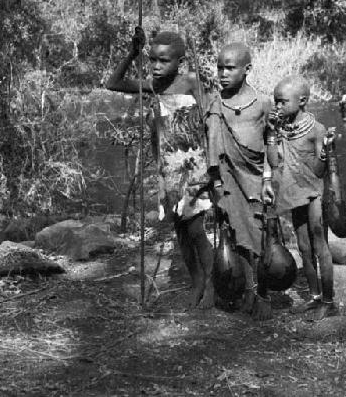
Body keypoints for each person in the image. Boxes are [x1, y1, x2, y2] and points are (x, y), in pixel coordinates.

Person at [106, 26, 215, 309]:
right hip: (167, 171)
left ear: (180, 62)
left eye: (163, 61)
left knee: (196, 230)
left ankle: (212, 287)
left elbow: (211, 121)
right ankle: (197, 282)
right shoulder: (152, 86)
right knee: (180, 231)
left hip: (194, 167)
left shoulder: (191, 83)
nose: (155, 66)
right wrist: (133, 52)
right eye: (152, 59)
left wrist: (215, 167)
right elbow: (113, 83)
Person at [206, 42, 273, 321]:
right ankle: (248, 291)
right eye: (220, 67)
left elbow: (271, 140)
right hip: (229, 182)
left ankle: (263, 294)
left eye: (230, 68)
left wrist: (269, 177)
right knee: (238, 236)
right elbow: (211, 147)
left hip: (256, 180)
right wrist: (217, 185)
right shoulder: (216, 104)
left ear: (247, 70)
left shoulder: (263, 103)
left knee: (260, 234)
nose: (223, 73)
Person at [262, 75, 338, 320]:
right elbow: (274, 162)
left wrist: (326, 151)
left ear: (302, 101)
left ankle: (328, 301)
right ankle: (315, 297)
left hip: (315, 193)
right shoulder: (281, 130)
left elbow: (318, 171)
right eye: (276, 102)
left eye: (283, 102)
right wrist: (272, 134)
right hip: (295, 193)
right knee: (304, 248)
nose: (278, 107)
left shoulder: (316, 131)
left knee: (319, 245)